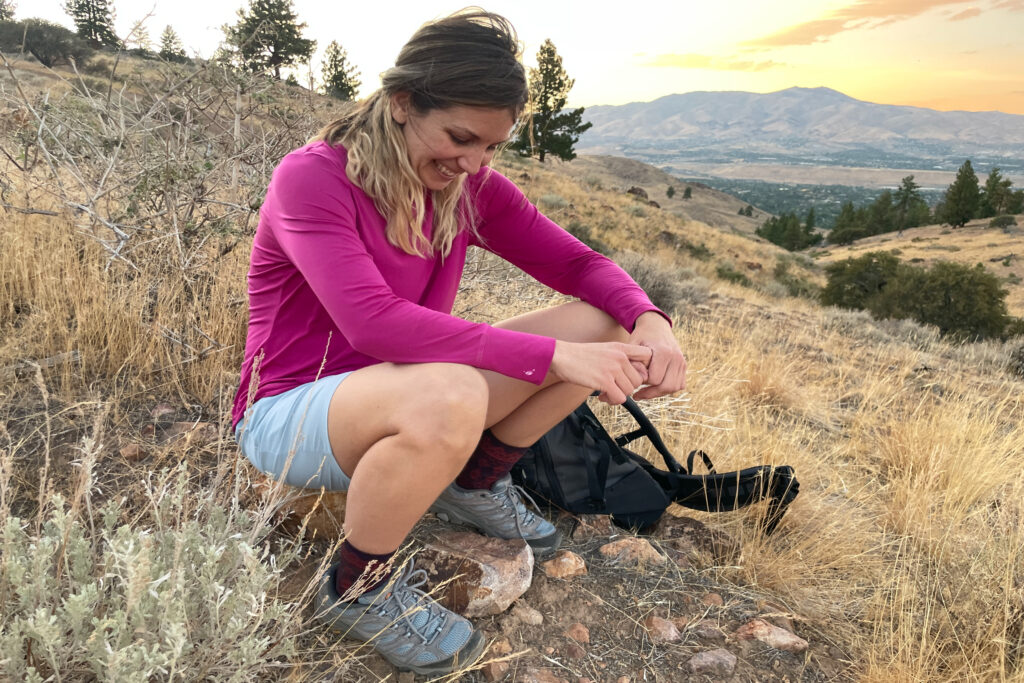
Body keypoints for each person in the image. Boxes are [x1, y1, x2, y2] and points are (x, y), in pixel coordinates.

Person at [232, 9, 687, 677]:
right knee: (453, 390)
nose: (473, 162)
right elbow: (374, 324)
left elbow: (581, 267)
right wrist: (553, 357)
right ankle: (356, 587)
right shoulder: (313, 179)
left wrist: (651, 321)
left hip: (405, 385)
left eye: (492, 148)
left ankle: (473, 481)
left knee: (601, 324)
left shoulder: (465, 187)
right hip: (290, 413)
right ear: (402, 103)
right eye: (460, 136)